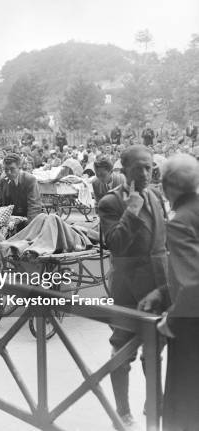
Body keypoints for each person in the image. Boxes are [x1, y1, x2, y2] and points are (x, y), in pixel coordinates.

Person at [98, 145, 168, 427]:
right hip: (127, 290)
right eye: (138, 167)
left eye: (148, 167)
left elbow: (163, 244)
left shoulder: (156, 195)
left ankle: (153, 409)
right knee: (122, 351)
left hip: (158, 289)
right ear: (124, 170)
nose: (144, 172)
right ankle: (122, 412)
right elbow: (115, 244)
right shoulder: (110, 202)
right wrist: (133, 210)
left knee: (154, 352)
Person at [137, 154, 199, 430]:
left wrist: (169, 323)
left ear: (166, 186)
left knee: (183, 408)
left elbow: (193, 283)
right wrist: (163, 292)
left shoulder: (180, 221)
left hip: (191, 330)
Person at [0, 154, 42, 225]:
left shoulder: (30, 180)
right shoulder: (3, 181)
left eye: (12, 169)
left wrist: (28, 226)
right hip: (12, 222)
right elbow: (1, 204)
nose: (8, 172)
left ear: (19, 167)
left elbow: (34, 207)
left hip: (30, 219)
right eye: (6, 169)